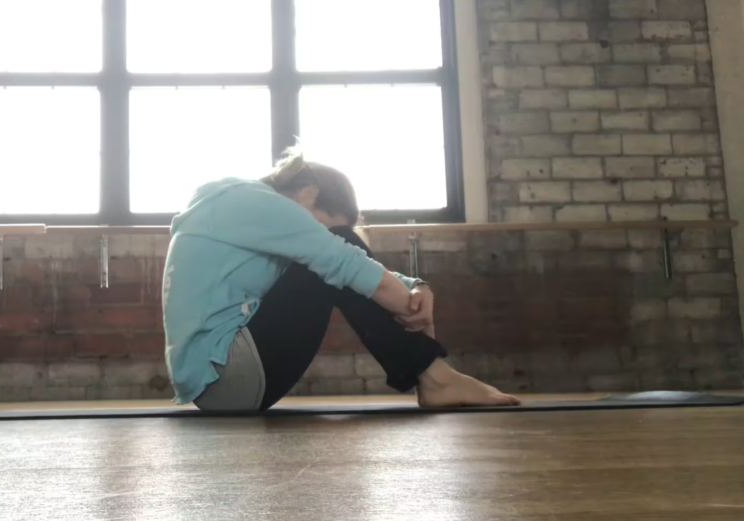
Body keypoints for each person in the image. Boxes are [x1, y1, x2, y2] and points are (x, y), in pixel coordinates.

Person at [161, 147, 520, 411]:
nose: (321, 235)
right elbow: (341, 259)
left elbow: (344, 262)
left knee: (341, 259)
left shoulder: (244, 212)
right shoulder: (244, 199)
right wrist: (404, 305)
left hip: (231, 381)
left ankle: (434, 376)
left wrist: (413, 285)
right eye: (323, 225)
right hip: (228, 377)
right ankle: (436, 377)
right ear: (308, 194)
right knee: (340, 257)